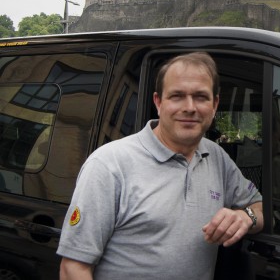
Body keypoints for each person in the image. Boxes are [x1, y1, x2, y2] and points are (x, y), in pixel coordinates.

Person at [57, 52, 263, 280]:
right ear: (158, 102)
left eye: (201, 97)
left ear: (214, 105)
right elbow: (72, 268)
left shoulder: (216, 156)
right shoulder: (109, 164)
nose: (190, 107)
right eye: (177, 96)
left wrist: (246, 217)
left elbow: (260, 207)